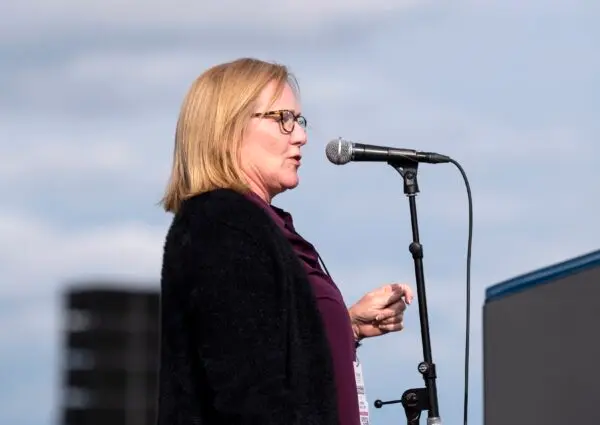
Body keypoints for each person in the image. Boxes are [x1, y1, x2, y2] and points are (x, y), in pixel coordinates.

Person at [156, 57, 414, 425]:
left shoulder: (255, 225)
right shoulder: (223, 225)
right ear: (227, 128)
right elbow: (248, 392)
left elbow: (268, 348)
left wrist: (347, 325)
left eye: (298, 120)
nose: (301, 135)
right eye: (283, 119)